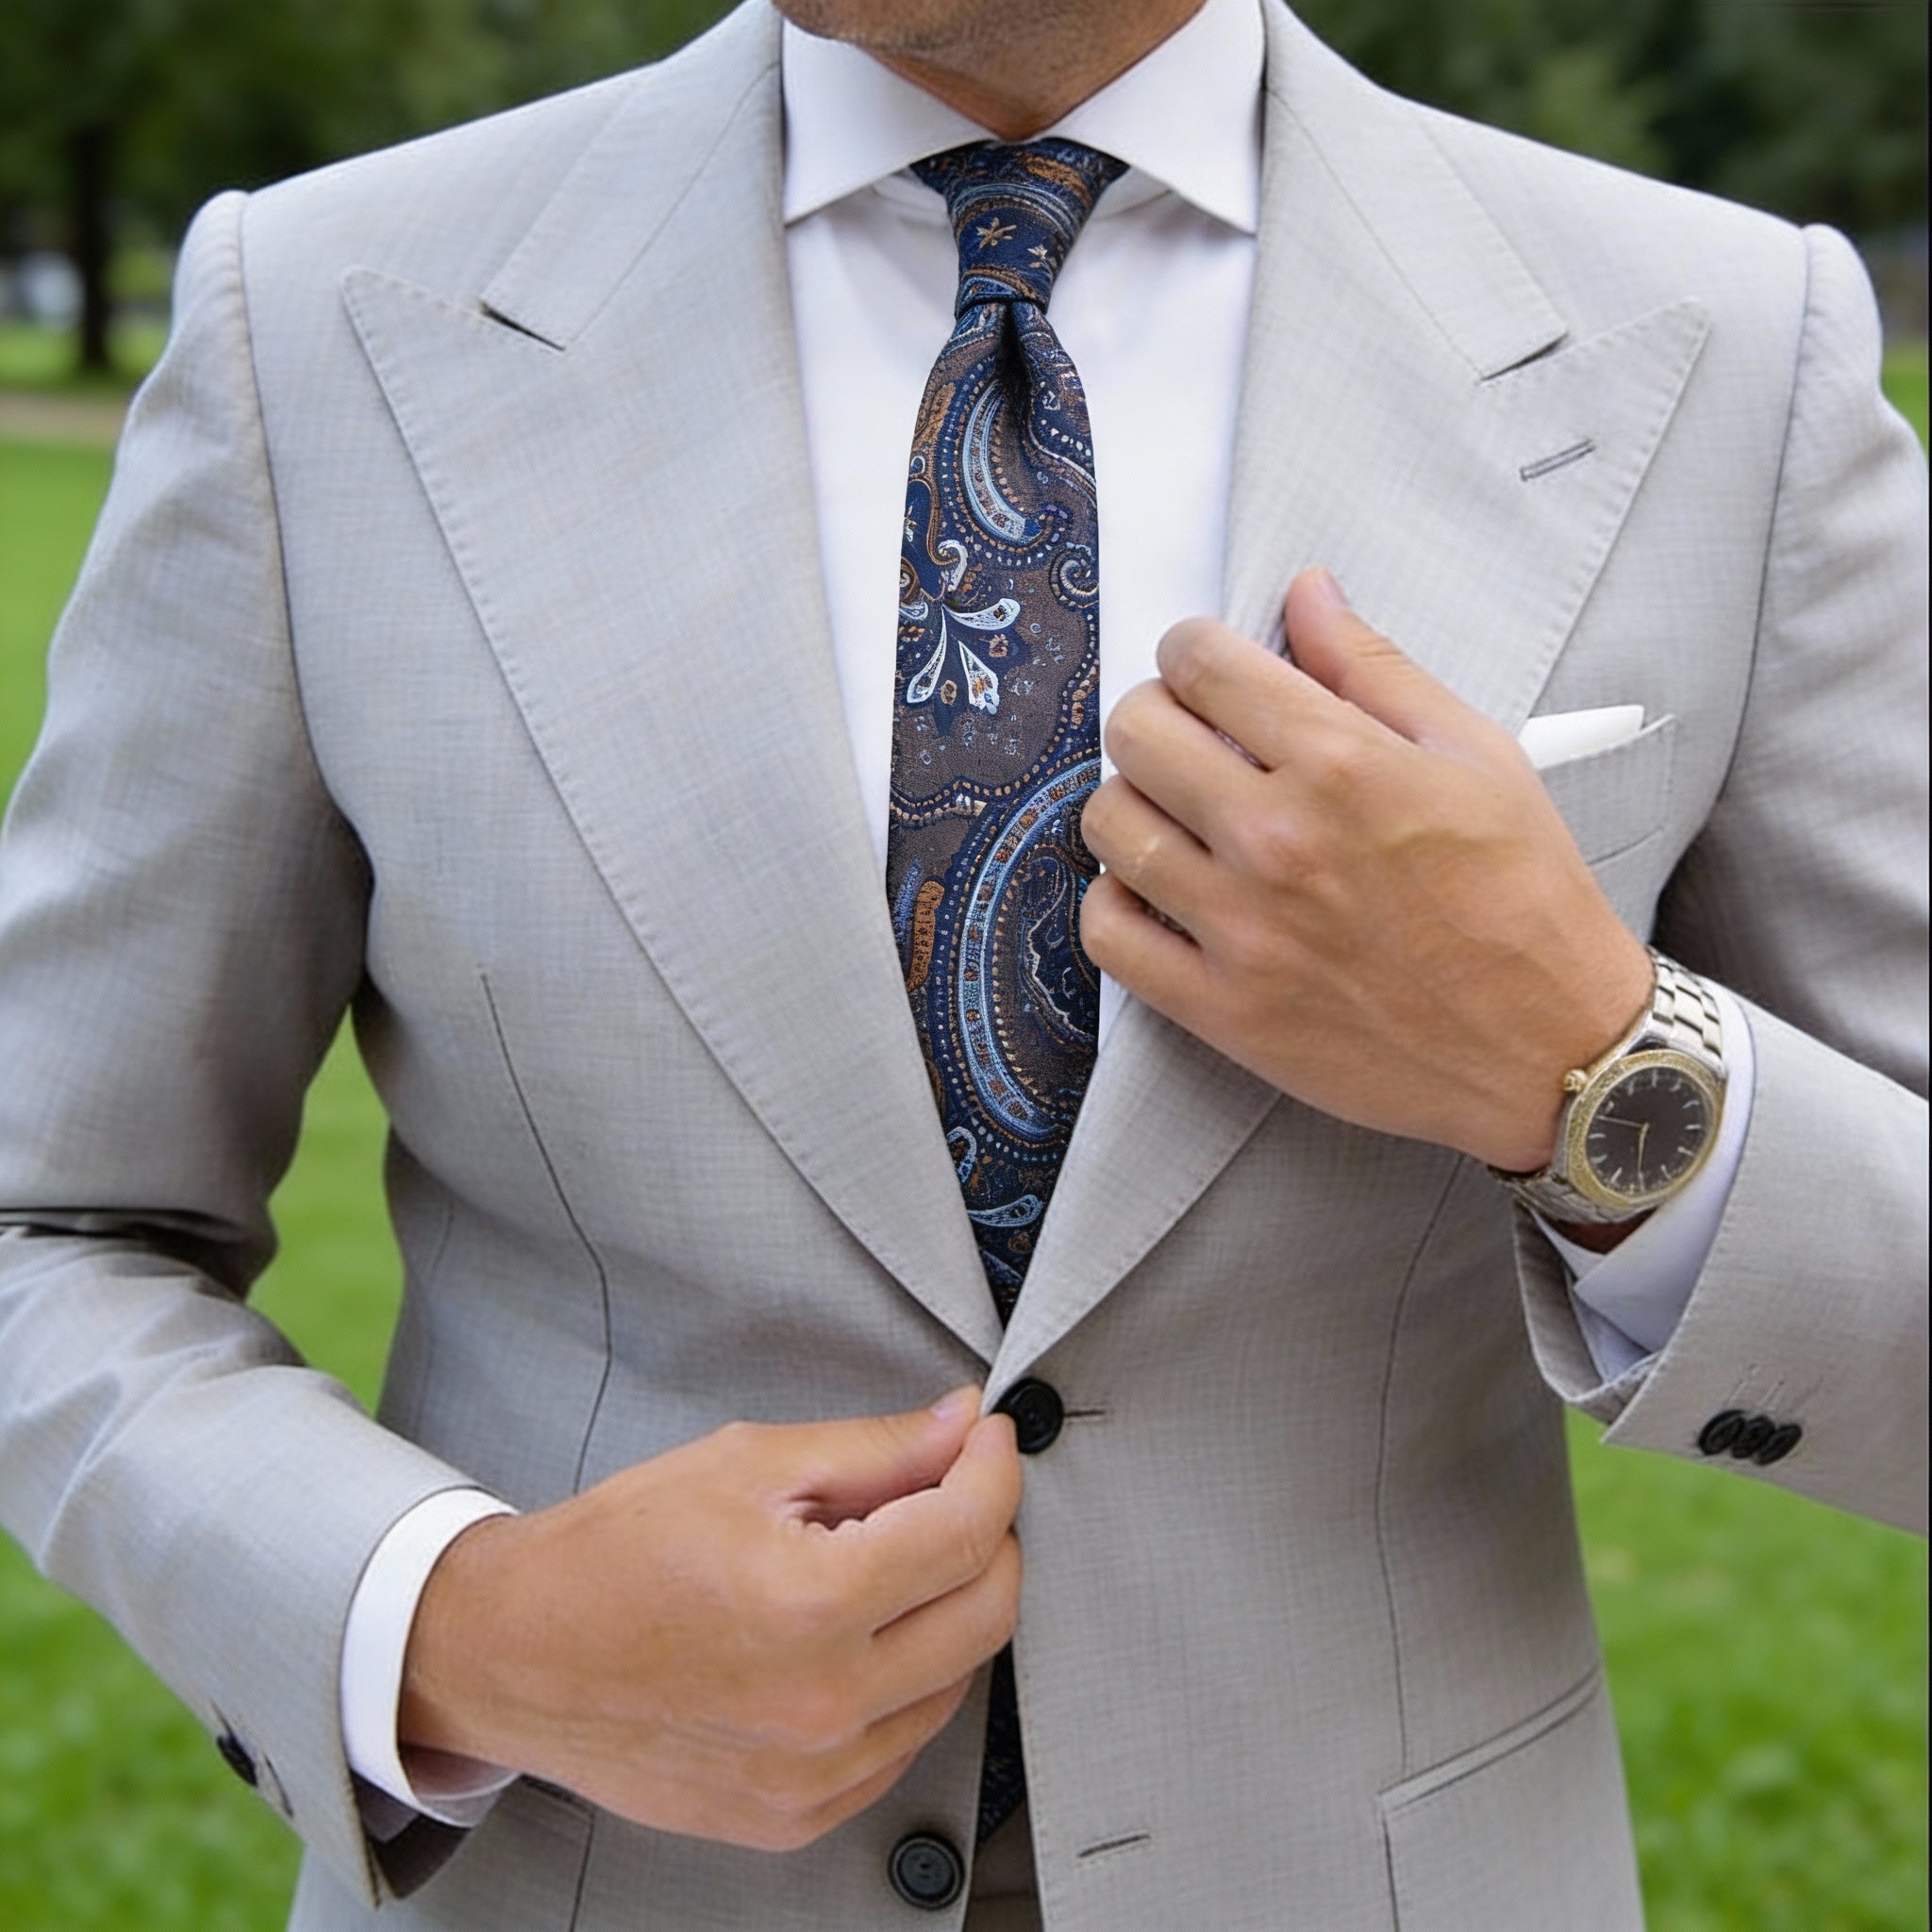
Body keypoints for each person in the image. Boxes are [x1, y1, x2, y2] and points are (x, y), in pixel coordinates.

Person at [0, 0, 1924, 1926]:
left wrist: (1589, 1073)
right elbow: (49, 1224)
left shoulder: (1727, 351)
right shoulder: (316, 314)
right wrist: (453, 1623)